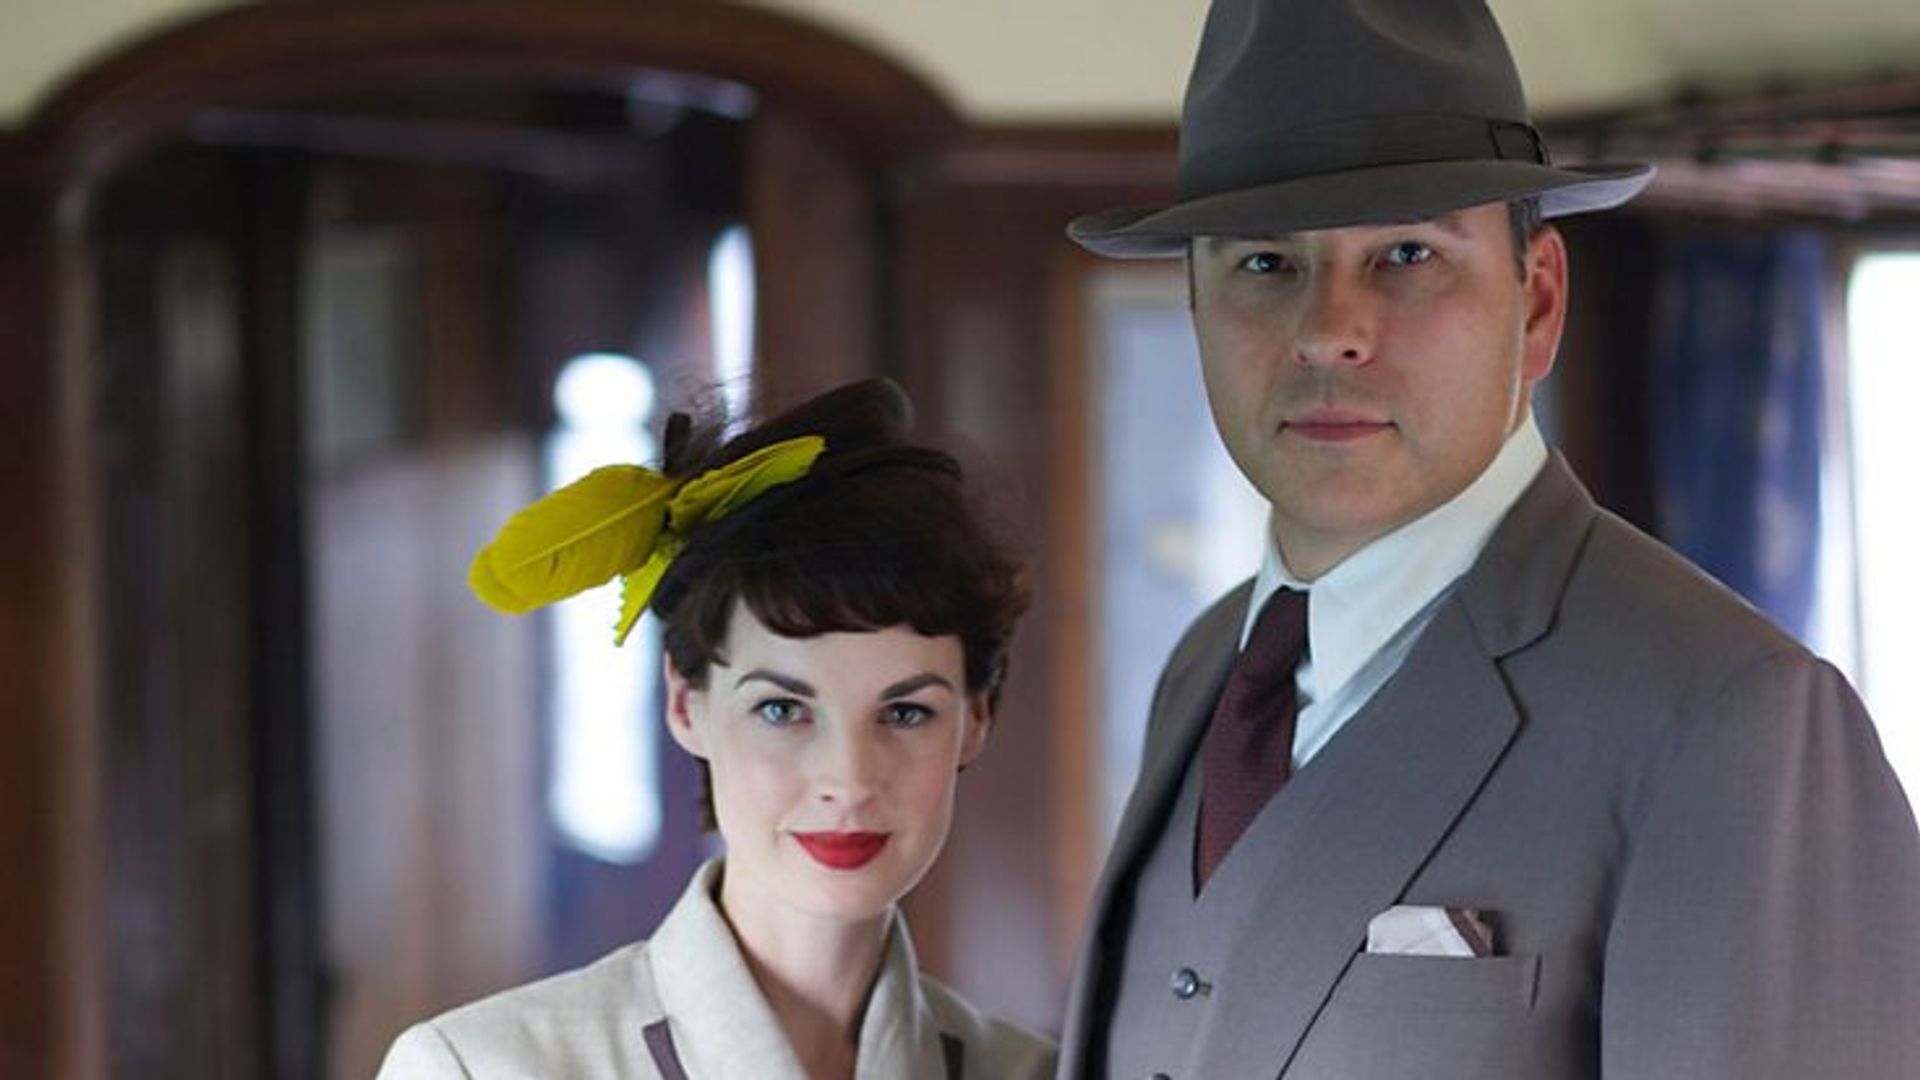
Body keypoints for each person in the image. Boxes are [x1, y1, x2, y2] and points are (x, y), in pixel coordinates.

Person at [1056, 2, 1920, 1078]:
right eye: (1267, 264)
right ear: (1193, 304)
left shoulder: (1733, 721)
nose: (1331, 329)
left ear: (1540, 301)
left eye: (1407, 252)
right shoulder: (1205, 672)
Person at [376, 378, 1054, 1079]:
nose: (848, 780)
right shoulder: (484, 1069)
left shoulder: (1032, 1071)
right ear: (684, 702)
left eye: (906, 712)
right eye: (783, 710)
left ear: (977, 718)